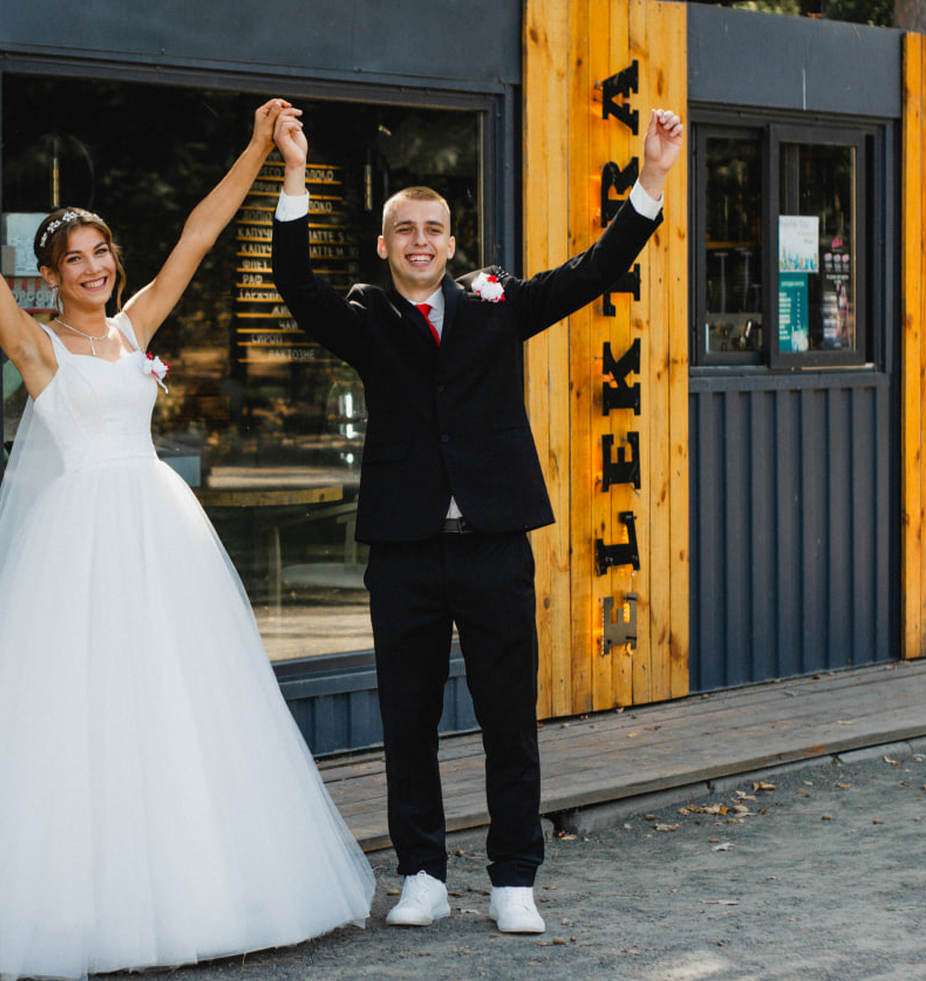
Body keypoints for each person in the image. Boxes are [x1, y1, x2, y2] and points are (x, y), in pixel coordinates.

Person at [0, 99, 375, 981]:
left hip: (161, 531)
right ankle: (84, 894)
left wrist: (259, 147)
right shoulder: (39, 350)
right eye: (75, 258)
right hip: (81, 544)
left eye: (102, 252)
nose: (94, 267)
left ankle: (200, 882)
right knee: (80, 706)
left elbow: (199, 235)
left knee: (178, 696)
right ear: (52, 276)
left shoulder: (136, 326)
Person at [269, 104, 683, 934]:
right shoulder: (365, 317)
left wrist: (650, 179)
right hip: (405, 551)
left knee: (507, 718)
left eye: (434, 229)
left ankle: (513, 880)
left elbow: (591, 271)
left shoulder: (496, 303)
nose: (420, 241)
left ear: (452, 243)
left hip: (494, 543)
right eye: (405, 230)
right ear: (384, 245)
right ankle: (421, 874)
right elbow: (296, 286)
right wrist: (293, 173)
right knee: (408, 721)